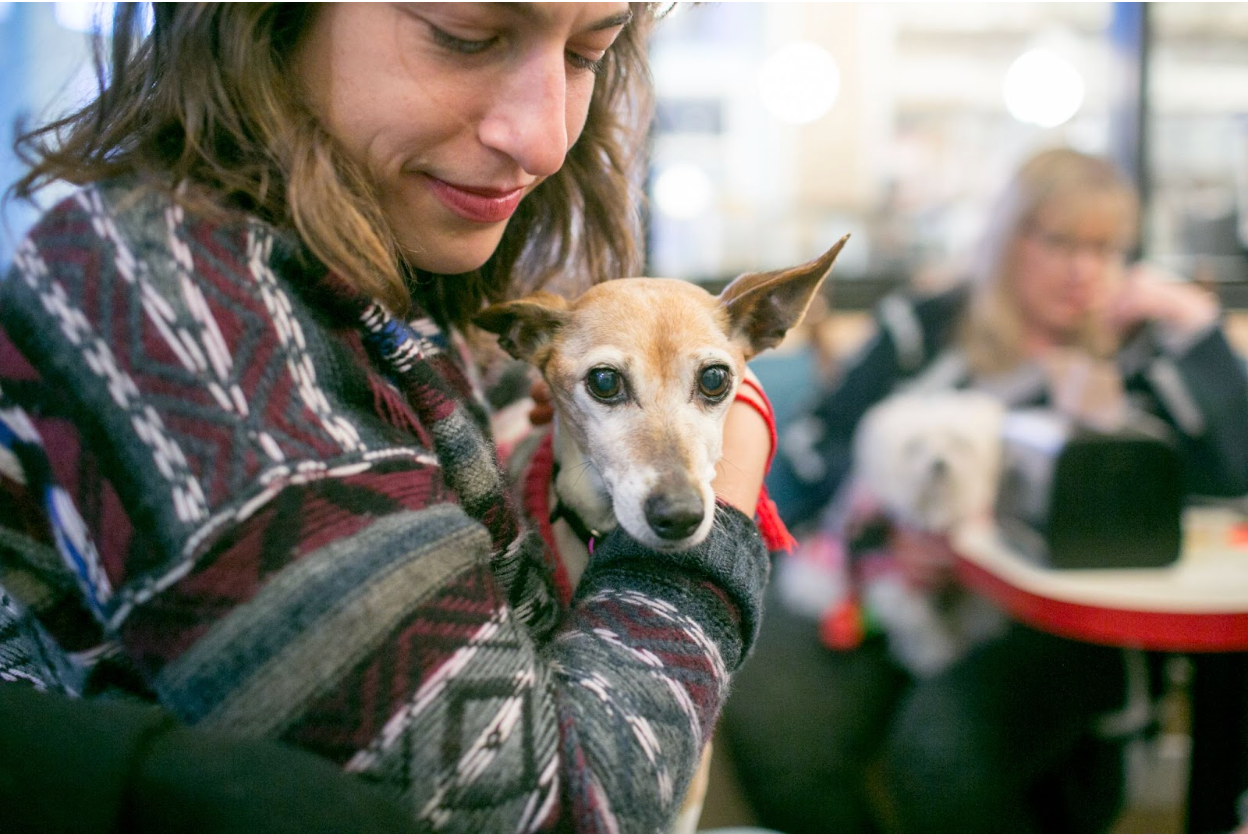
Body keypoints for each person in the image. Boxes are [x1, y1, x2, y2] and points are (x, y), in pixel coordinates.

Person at [0, 4, 778, 832]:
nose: (547, 141)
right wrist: (726, 483)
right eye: (466, 35)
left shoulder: (375, 282)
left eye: (590, 52)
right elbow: (548, 816)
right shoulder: (161, 300)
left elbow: (439, 440)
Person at [720, 147, 1248, 834]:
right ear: (1009, 238)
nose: (1081, 269)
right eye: (1058, 241)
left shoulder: (1138, 358)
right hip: (884, 585)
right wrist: (888, 532)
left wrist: (1192, 321)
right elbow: (817, 453)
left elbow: (1233, 478)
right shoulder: (930, 325)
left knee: (940, 755)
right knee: (776, 715)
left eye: (1104, 248)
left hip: (1051, 621)